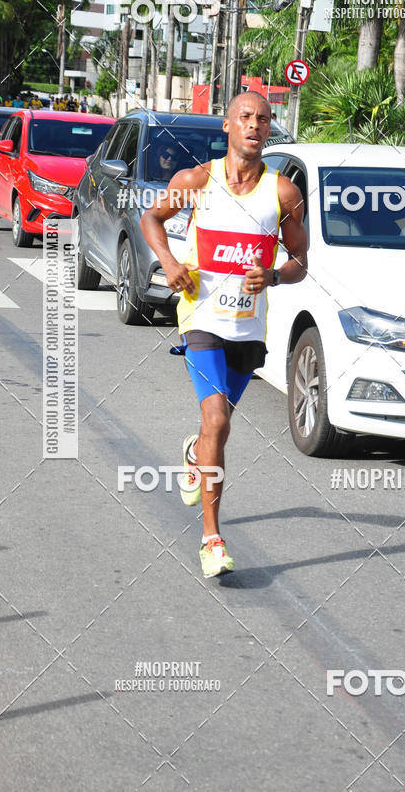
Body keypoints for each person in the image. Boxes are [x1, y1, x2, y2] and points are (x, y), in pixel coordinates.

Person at [141, 92, 307, 578]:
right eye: (246, 117)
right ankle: (212, 539)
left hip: (248, 328)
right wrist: (170, 263)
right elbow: (153, 217)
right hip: (202, 320)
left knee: (220, 428)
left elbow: (300, 262)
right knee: (214, 418)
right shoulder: (196, 182)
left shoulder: (283, 194)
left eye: (264, 119)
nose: (255, 126)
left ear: (269, 129)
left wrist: (273, 276)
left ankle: (195, 454)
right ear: (228, 125)